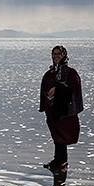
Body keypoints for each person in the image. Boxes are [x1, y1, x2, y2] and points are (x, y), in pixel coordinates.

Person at [39, 45, 83, 174]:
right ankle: (58, 161)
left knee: (61, 135)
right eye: (53, 54)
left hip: (63, 111)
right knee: (56, 135)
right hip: (52, 110)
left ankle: (61, 162)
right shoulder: (53, 71)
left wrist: (57, 89)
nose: (55, 56)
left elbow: (73, 88)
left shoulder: (69, 72)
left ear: (64, 55)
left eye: (58, 54)